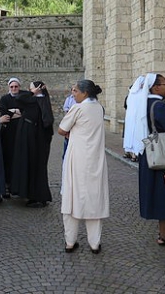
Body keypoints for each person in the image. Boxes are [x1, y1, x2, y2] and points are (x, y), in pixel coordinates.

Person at [129, 73, 165, 246]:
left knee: (159, 195)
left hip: (149, 154)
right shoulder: (159, 106)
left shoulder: (142, 104)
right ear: (155, 88)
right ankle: (164, 235)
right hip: (163, 155)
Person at [58, 80, 108, 254]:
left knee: (72, 196)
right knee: (94, 197)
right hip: (95, 159)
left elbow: (61, 129)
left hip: (77, 158)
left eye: (76, 91)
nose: (73, 94)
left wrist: (72, 132)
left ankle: (70, 241)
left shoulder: (77, 108)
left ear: (85, 93)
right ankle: (94, 243)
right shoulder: (99, 108)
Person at [10, 81, 54, 208]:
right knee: (31, 166)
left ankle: (38, 197)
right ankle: (33, 195)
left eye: (32, 88)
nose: (29, 90)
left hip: (36, 139)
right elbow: (19, 99)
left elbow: (19, 98)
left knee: (36, 167)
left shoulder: (39, 100)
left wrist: (33, 93)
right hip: (31, 137)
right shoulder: (35, 99)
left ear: (37, 89)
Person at [0, 77, 23, 196]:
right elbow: (5, 115)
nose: (14, 89)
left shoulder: (22, 98)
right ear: (9, 87)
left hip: (20, 132)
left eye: (16, 86)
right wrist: (17, 112)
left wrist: (13, 111)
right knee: (8, 158)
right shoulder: (4, 99)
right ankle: (7, 184)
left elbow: (25, 112)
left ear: (19, 87)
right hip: (7, 134)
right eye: (12, 87)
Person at [123, 76, 146, 163]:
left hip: (138, 119)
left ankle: (135, 154)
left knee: (137, 136)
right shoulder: (133, 94)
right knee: (132, 136)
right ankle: (133, 154)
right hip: (132, 119)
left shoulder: (135, 94)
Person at [61, 85, 77, 158]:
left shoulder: (80, 99)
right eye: (73, 90)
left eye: (75, 90)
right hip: (70, 118)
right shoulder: (69, 98)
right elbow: (65, 107)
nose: (74, 92)